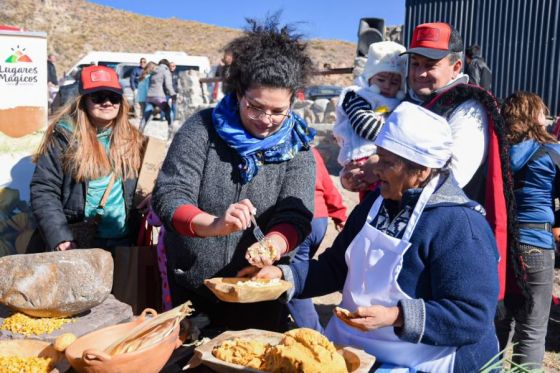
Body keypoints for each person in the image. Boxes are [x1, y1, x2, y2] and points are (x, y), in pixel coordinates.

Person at [244, 102, 500, 372]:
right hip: (355, 350)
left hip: (423, 360)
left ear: (422, 171)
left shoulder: (460, 226)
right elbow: (335, 267)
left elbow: (472, 317)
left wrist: (396, 316)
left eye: (388, 162)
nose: (376, 169)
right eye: (378, 156)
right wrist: (284, 277)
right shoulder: (375, 203)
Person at [151, 17, 316, 332]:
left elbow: (296, 214)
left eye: (278, 111)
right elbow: (170, 196)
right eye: (255, 107)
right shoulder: (201, 129)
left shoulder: (298, 147)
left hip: (260, 293)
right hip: (194, 289)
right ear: (239, 92)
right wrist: (215, 225)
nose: (266, 120)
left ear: (293, 101)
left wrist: (274, 245)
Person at [341, 21, 515, 307]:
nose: (419, 73)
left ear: (456, 67)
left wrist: (376, 167)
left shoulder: (466, 108)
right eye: (415, 63)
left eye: (430, 65)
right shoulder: (414, 103)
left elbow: (452, 173)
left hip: (449, 236)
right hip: (410, 232)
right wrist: (359, 173)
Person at [29, 65, 144, 253]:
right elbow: (44, 189)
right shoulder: (65, 137)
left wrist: (150, 196)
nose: (107, 102)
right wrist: (60, 237)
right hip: (79, 242)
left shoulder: (134, 138)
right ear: (83, 101)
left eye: (113, 96)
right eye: (98, 97)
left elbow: (148, 182)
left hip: (123, 242)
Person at [495, 91, 560, 370]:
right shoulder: (550, 152)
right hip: (536, 243)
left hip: (500, 243)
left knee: (499, 320)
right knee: (532, 330)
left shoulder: (497, 152)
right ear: (534, 115)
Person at [333, 41, 406, 200]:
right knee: (369, 203)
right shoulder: (356, 95)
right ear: (369, 77)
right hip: (360, 161)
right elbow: (364, 127)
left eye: (394, 82)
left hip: (384, 160)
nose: (387, 86)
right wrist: (400, 137)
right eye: (381, 79)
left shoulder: (399, 102)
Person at [288, 147, 347, 332]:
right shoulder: (311, 150)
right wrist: (339, 214)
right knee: (301, 268)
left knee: (293, 278)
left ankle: (315, 334)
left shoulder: (279, 149)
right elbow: (328, 185)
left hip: (298, 222)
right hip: (319, 221)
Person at [142, 59, 176, 138]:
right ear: (167, 64)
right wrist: (173, 95)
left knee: (146, 115)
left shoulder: (154, 70)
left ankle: (139, 132)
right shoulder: (166, 70)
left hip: (150, 96)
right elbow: (168, 85)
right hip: (160, 97)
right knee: (168, 112)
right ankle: (171, 132)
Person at [137, 61, 157, 133]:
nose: (156, 69)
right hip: (146, 98)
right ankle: (141, 130)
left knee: (144, 116)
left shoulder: (142, 75)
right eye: (155, 68)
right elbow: (147, 88)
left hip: (140, 98)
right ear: (151, 68)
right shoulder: (149, 76)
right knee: (147, 116)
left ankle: (141, 130)